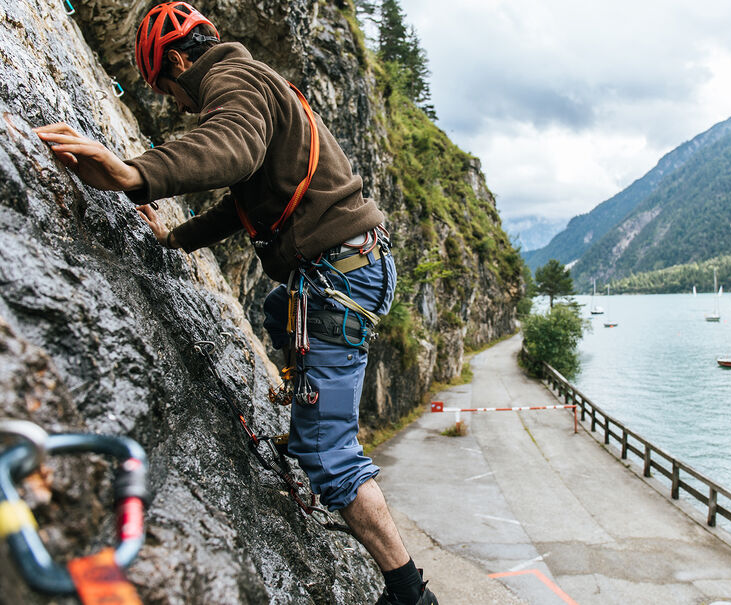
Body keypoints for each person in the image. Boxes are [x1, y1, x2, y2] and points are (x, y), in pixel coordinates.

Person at [34, 3, 436, 604]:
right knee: (279, 314)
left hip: (337, 278)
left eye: (166, 88)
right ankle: (307, 404)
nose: (174, 103)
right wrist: (175, 236)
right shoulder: (259, 80)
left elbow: (234, 148)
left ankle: (410, 593)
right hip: (347, 268)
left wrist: (130, 173)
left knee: (329, 456)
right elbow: (243, 202)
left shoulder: (232, 81)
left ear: (175, 61)